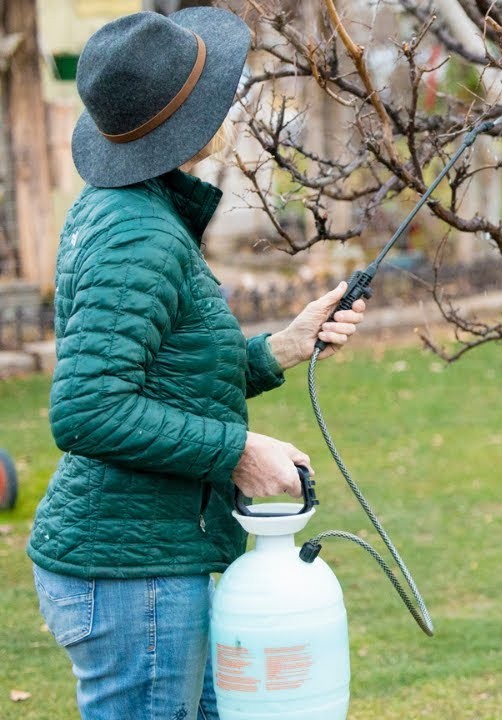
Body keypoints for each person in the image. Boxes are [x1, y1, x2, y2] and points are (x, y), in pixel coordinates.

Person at [27, 8, 366, 720]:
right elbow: (87, 411)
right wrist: (238, 449)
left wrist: (282, 348)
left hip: (147, 558)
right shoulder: (138, 234)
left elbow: (159, 372)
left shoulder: (131, 212)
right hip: (129, 574)